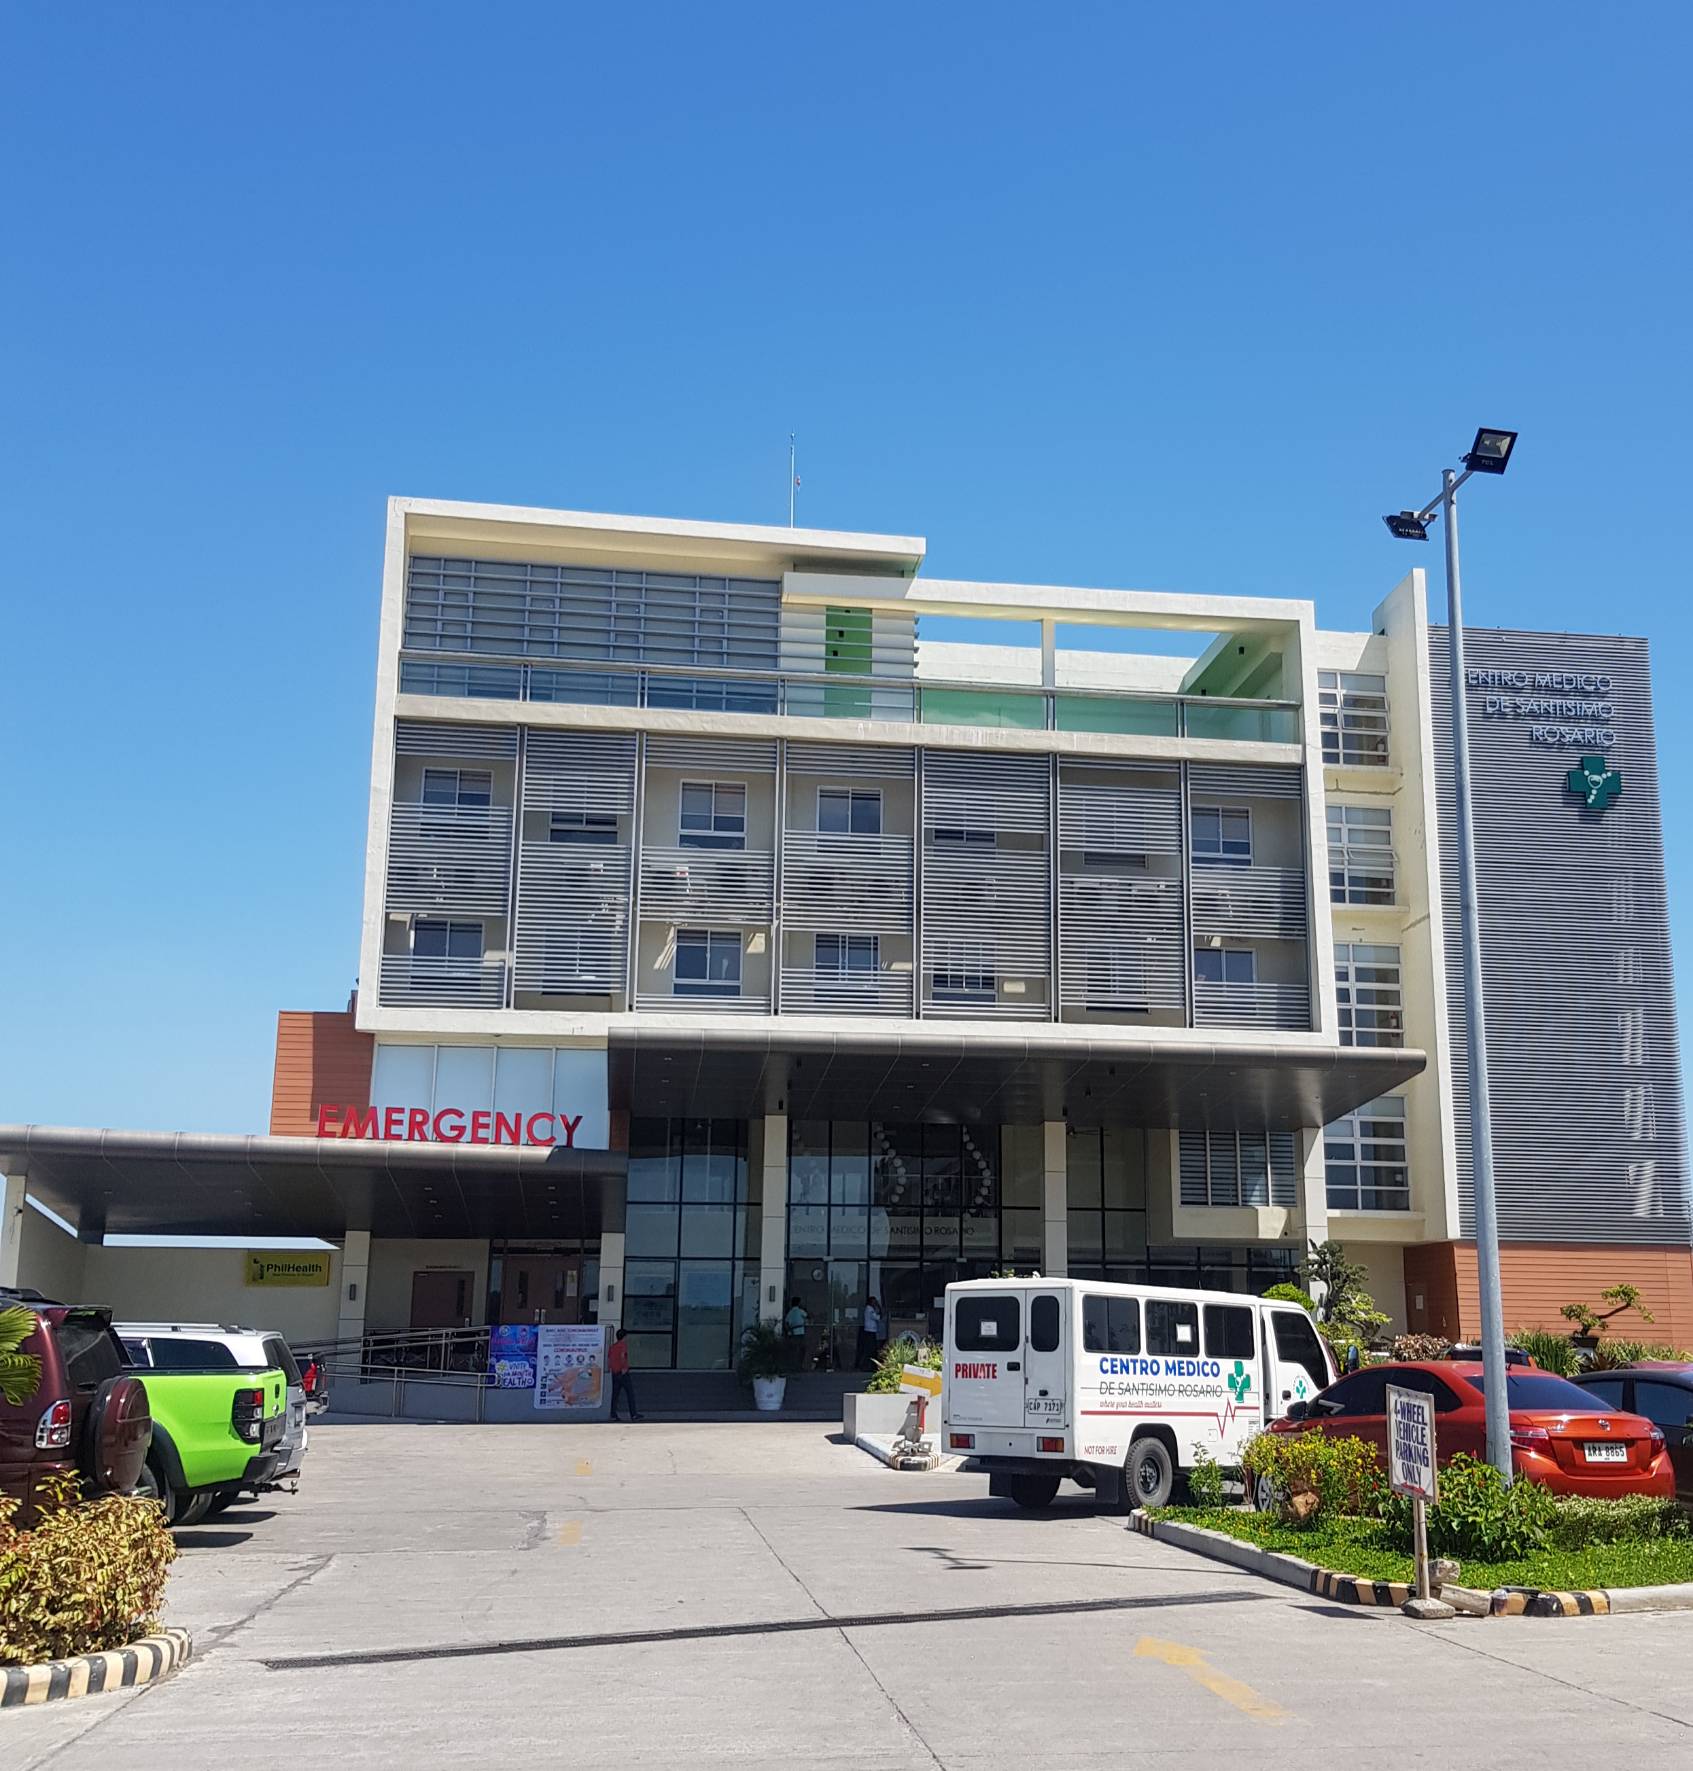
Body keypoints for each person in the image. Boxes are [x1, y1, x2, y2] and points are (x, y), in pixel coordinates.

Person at [608, 1327, 642, 1421]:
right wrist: (624, 1367)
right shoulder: (623, 1345)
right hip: (623, 1373)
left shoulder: (613, 1347)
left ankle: (613, 1414)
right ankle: (633, 1414)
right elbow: (623, 1356)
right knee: (630, 1393)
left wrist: (612, 1368)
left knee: (615, 1395)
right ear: (624, 1337)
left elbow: (609, 1359)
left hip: (615, 1373)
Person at [857, 1295, 885, 1370]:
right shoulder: (869, 1309)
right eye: (874, 1302)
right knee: (870, 1350)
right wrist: (879, 1307)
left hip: (871, 1331)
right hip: (870, 1332)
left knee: (871, 1349)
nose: (875, 1303)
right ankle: (867, 1366)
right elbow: (878, 1317)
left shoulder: (870, 1309)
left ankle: (870, 1366)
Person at [784, 1295, 809, 1370]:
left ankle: (794, 1366)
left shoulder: (790, 1312)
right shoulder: (800, 1311)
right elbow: (807, 1316)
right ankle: (799, 1366)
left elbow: (786, 1322)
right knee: (801, 1349)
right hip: (800, 1332)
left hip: (793, 1333)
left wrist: (789, 1330)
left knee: (794, 1350)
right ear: (798, 1303)